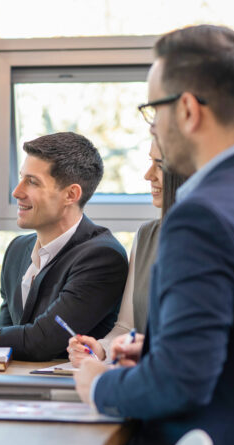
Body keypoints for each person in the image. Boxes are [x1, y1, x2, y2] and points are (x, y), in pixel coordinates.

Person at [74, 25, 234, 445]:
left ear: (189, 110)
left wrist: (100, 386)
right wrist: (158, 352)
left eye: (154, 109)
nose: (153, 126)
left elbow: (178, 385)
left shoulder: (200, 217)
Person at [0, 132, 128, 361]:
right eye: (21, 178)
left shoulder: (103, 257)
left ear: (71, 194)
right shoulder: (17, 250)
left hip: (70, 390)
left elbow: (42, 341)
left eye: (32, 182)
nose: (17, 192)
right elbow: (5, 339)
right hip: (16, 383)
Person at [67, 142, 187, 365]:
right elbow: (126, 326)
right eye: (150, 162)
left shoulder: (212, 239)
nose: (148, 175)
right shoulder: (145, 235)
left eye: (159, 165)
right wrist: (101, 348)